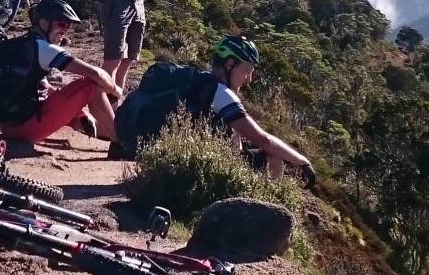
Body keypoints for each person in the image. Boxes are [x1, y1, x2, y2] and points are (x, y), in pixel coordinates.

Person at [118, 36, 312, 179]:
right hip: (189, 169)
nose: (249, 79)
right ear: (229, 64)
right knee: (273, 156)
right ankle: (263, 211)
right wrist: (303, 162)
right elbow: (265, 140)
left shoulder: (198, 81)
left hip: (161, 158)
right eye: (247, 71)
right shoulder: (220, 93)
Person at [0, 0, 123, 149]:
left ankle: (95, 126)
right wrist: (116, 91)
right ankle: (122, 144)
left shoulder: (26, 44)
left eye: (68, 26)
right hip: (26, 128)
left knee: (62, 92)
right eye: (61, 24)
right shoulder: (44, 48)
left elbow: (41, 86)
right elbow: (97, 74)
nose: (65, 30)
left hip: (10, 125)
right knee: (91, 87)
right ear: (43, 23)